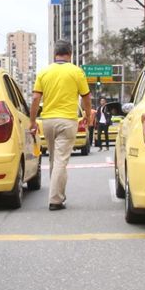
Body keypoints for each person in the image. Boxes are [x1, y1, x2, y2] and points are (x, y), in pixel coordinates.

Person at [30, 40, 92, 211]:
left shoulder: (44, 72)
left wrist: (32, 121)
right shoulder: (76, 71)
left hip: (48, 122)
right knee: (61, 161)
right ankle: (56, 199)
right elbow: (86, 97)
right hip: (67, 121)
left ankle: (56, 194)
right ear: (70, 54)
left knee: (53, 159)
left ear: (54, 54)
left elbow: (35, 98)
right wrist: (87, 116)